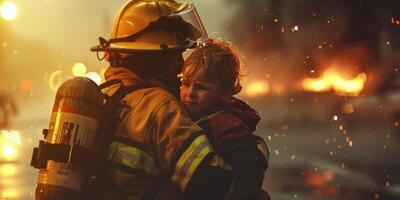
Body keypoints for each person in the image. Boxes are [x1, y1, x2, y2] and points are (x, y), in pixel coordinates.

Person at [90, 1, 232, 199]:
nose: (180, 65)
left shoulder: (101, 96)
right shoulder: (161, 107)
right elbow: (212, 182)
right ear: (156, 57)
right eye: (176, 54)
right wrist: (248, 148)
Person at [180, 39, 271, 200]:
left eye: (201, 87)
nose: (190, 93)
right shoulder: (202, 113)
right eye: (185, 83)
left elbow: (248, 165)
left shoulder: (223, 122)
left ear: (226, 92)